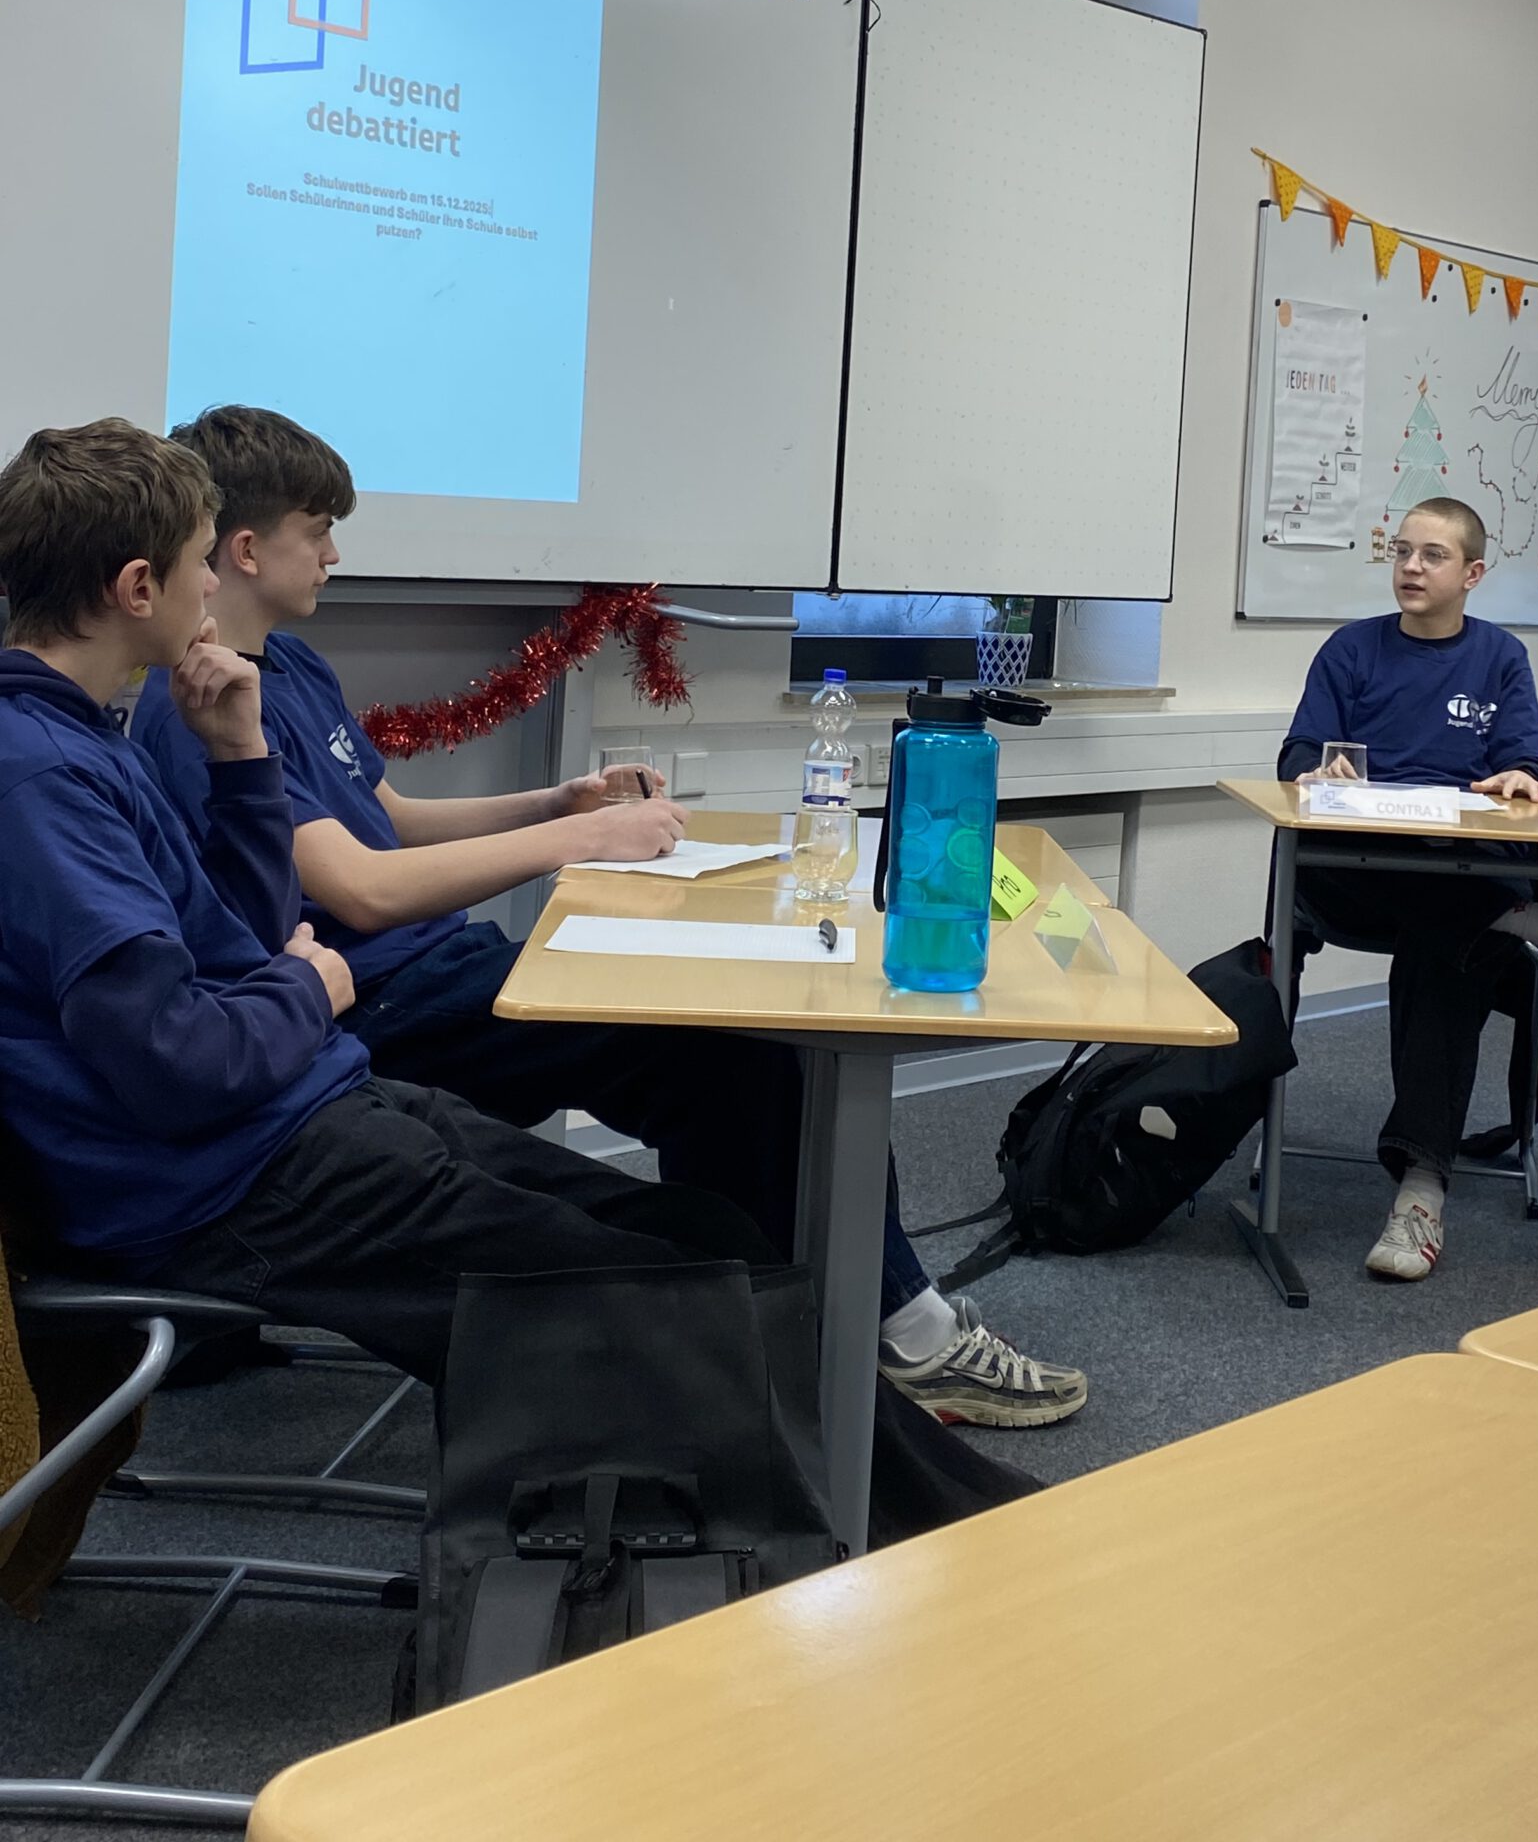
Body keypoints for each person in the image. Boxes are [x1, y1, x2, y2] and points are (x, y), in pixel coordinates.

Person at [134, 405, 1085, 1429]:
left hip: (432, 970)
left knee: (743, 1055)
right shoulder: (202, 711)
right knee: (731, 1057)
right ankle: (886, 1338)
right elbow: (363, 887)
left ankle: (796, 1332)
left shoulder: (289, 668)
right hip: (367, 1007)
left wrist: (558, 803)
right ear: (244, 550)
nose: (333, 554)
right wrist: (579, 841)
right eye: (317, 531)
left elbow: (390, 818)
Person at [0, 417, 785, 1377]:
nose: (206, 586)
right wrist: (307, 989)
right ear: (137, 588)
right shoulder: (48, 772)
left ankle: (825, 1411)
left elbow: (254, 934)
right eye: (197, 562)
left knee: (704, 1238)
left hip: (293, 1091)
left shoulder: (109, 732)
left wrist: (242, 758)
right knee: (674, 1298)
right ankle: (868, 1438)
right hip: (230, 1158)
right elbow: (178, 1049)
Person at [1279, 498, 1538, 1283]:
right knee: (1447, 911)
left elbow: (1531, 765)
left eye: (1432, 555)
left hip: (1459, 867)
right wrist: (1315, 769)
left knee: (1446, 944)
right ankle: (1537, 924)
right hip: (1361, 871)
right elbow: (1298, 752)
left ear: (1473, 574)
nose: (1411, 567)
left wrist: (1522, 777)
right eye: (1402, 552)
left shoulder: (1499, 656)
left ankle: (1421, 1189)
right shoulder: (1351, 648)